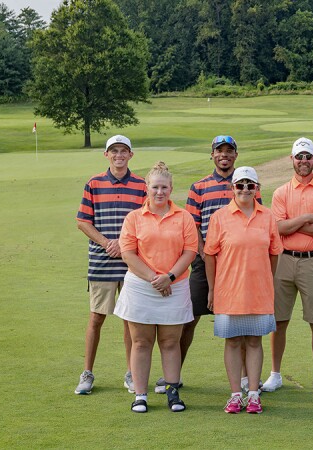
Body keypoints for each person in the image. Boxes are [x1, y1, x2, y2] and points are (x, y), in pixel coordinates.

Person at [175, 135, 261, 395]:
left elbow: (257, 219)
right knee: (189, 318)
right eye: (219, 151)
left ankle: (246, 379)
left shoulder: (246, 183)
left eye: (229, 151)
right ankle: (173, 374)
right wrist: (205, 252)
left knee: (242, 323)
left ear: (236, 155)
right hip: (204, 263)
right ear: (212, 155)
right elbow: (192, 226)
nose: (224, 155)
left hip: (239, 265)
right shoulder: (199, 187)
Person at [114, 161, 198, 413]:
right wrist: (155, 278)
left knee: (170, 342)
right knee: (141, 342)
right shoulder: (134, 218)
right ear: (147, 188)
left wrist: (169, 277)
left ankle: (173, 392)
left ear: (171, 188)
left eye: (164, 187)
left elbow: (190, 251)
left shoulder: (184, 217)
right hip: (141, 287)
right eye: (155, 187)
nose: (159, 192)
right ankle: (140, 395)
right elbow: (128, 253)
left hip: (175, 286)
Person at [204, 166, 283, 414]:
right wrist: (212, 289)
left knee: (254, 341)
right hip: (228, 290)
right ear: (233, 188)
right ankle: (236, 394)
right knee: (233, 341)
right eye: (240, 185)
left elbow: (274, 253)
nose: (245, 189)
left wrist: (265, 280)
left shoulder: (267, 216)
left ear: (257, 188)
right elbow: (210, 255)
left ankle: (254, 394)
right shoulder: (219, 217)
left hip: (259, 291)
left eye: (251, 185)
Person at [74, 135, 146, 395]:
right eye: (113, 151)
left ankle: (131, 373)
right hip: (101, 261)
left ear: (130, 155)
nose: (118, 155)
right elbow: (83, 221)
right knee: (96, 317)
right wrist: (107, 243)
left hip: (131, 263)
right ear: (106, 155)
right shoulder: (94, 183)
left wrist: (123, 244)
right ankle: (87, 373)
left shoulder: (141, 185)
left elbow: (145, 222)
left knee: (130, 320)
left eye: (123, 151)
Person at [265, 138, 313, 396]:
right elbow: (277, 228)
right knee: (278, 320)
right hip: (284, 260)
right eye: (299, 156)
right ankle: (275, 374)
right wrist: (306, 218)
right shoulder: (281, 192)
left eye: (308, 156)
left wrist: (292, 224)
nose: (303, 161)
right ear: (292, 159)